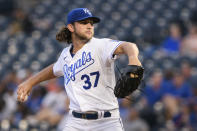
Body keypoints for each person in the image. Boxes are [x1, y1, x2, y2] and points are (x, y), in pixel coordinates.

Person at [17, 8, 142, 131]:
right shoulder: (65, 54)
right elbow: (54, 69)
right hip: (76, 121)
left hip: (106, 122)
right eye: (83, 23)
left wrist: (133, 58)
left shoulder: (100, 45)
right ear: (71, 27)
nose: (89, 26)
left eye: (91, 23)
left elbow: (129, 46)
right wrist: (30, 82)